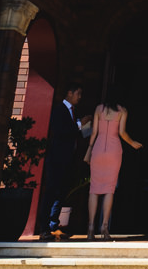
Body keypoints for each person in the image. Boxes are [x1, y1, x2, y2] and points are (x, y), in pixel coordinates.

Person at [86, 97, 142, 240]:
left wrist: (89, 150)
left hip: (98, 149)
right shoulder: (122, 111)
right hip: (114, 150)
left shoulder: (99, 109)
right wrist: (133, 143)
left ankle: (91, 226)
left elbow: (93, 133)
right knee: (109, 189)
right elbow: (122, 133)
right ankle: (104, 226)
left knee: (94, 189)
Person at [39, 84, 85, 238]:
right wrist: (80, 124)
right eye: (78, 93)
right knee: (51, 192)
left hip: (68, 159)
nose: (79, 97)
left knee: (62, 192)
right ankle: (44, 227)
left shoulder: (73, 112)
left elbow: (74, 134)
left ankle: (53, 224)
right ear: (69, 92)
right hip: (57, 159)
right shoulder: (60, 110)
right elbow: (61, 131)